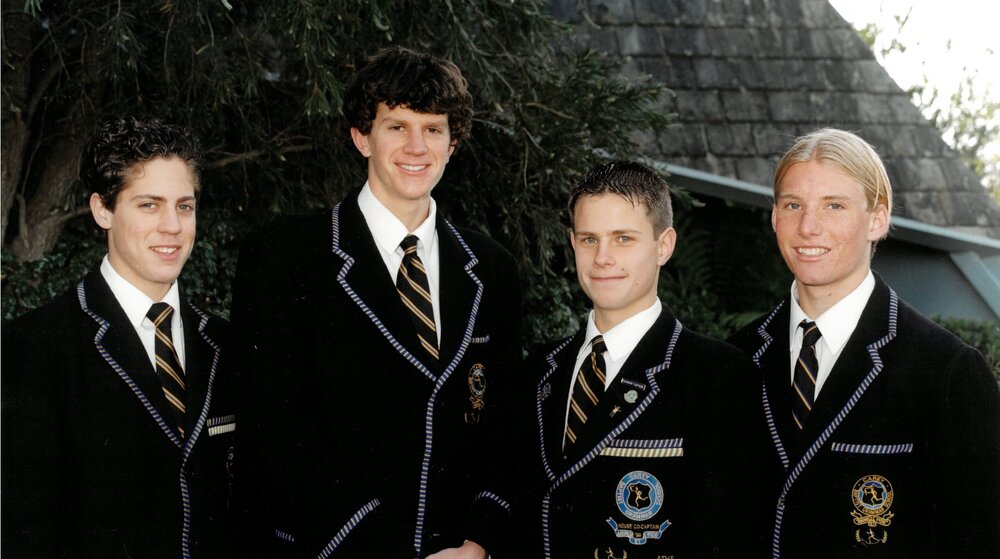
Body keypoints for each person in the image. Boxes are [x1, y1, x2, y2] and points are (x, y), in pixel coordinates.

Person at [230, 46, 522, 558]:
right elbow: (274, 432)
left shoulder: (491, 267)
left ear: (453, 143)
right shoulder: (285, 256)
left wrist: (480, 542)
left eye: (433, 128)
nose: (417, 146)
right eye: (396, 126)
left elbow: (506, 426)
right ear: (361, 137)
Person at [728, 128, 1000, 558]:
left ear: (877, 219)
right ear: (775, 217)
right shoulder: (736, 358)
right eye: (793, 205)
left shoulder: (946, 371)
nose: (808, 227)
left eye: (834, 206)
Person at [1, 116, 235, 558]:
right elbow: (21, 531)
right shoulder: (33, 348)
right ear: (102, 209)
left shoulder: (226, 344)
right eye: (149, 205)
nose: (172, 226)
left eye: (184, 206)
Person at [515, 161, 770, 558]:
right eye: (588, 239)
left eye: (623, 239)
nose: (602, 257)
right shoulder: (539, 370)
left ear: (664, 246)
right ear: (572, 243)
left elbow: (726, 538)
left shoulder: (717, 375)